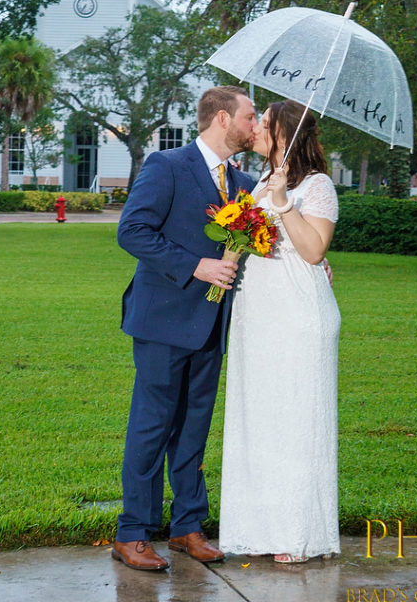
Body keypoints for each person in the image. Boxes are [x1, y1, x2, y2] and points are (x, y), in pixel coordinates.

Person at [112, 85, 257, 572]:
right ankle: (132, 531)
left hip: (213, 323)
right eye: (250, 117)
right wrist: (196, 265)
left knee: (195, 428)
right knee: (152, 427)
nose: (254, 126)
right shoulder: (166, 166)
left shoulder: (244, 182)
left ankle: (187, 526)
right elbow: (132, 230)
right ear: (221, 119)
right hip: (161, 320)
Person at [219, 99, 340, 563]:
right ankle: (258, 529)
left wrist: (285, 202)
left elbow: (312, 251)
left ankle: (297, 534)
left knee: (296, 418)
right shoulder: (256, 184)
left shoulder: (318, 186)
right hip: (257, 315)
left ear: (283, 134)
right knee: (260, 421)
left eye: (263, 125)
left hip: (299, 313)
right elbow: (241, 242)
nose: (255, 131)